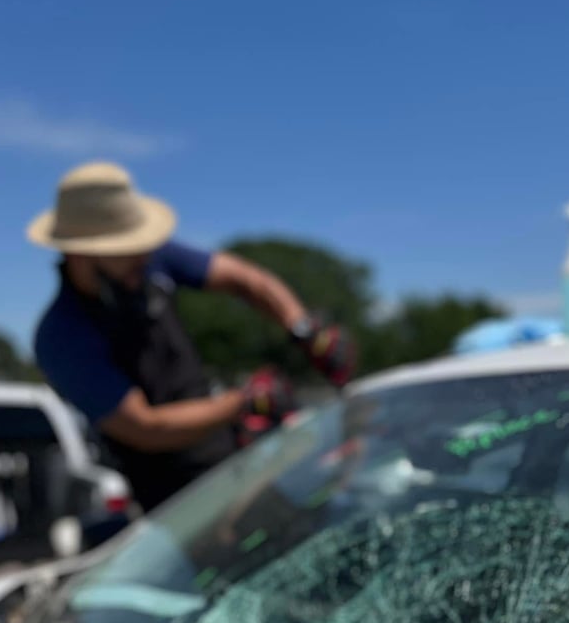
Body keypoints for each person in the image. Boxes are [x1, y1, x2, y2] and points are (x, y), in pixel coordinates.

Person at [27, 161, 355, 511]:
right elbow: (145, 427)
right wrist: (242, 402)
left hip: (229, 446)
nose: (144, 256)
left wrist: (303, 329)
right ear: (80, 253)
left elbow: (244, 279)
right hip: (179, 498)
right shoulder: (62, 335)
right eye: (127, 248)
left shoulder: (147, 262)